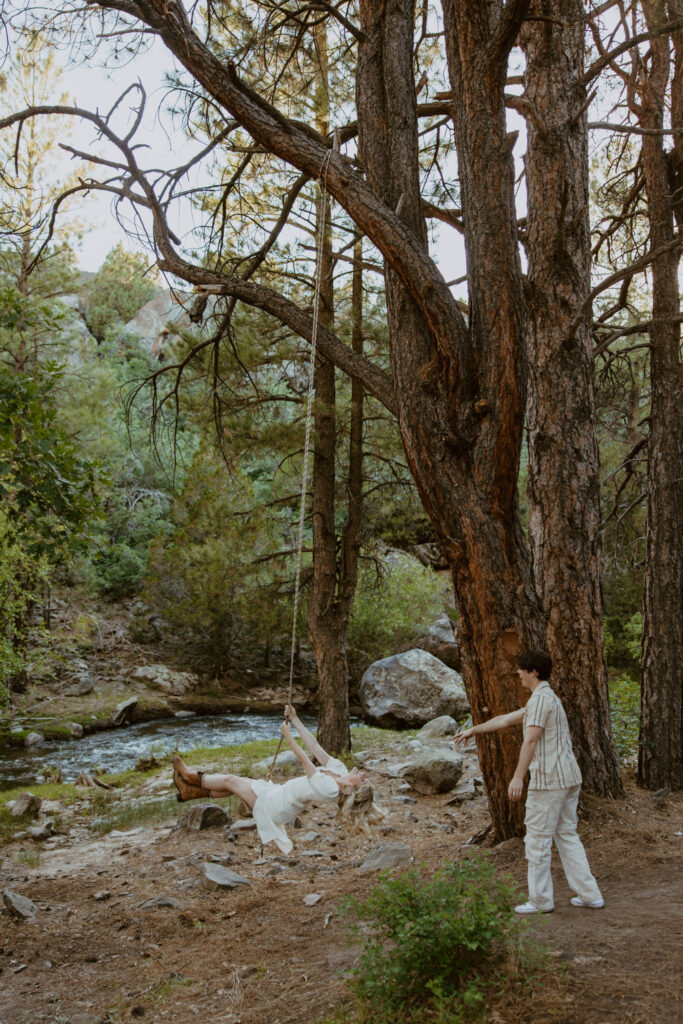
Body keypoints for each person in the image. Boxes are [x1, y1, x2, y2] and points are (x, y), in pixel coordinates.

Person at [452, 649, 604, 915]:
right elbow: (506, 719)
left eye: (521, 668)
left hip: (549, 781)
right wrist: (473, 730)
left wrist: (517, 778)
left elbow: (531, 740)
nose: (518, 672)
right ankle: (590, 895)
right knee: (566, 834)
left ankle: (540, 901)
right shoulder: (544, 698)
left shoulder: (541, 700)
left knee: (537, 841)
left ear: (534, 671)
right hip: (567, 777)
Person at [172, 705, 368, 855]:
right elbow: (314, 746)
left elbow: (305, 760)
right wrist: (295, 718)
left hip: (278, 806)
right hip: (279, 793)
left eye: (364, 781)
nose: (364, 775)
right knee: (236, 784)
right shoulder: (339, 769)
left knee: (231, 781)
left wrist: (288, 736)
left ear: (352, 789)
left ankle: (191, 776)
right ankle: (191, 792)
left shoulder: (330, 789)